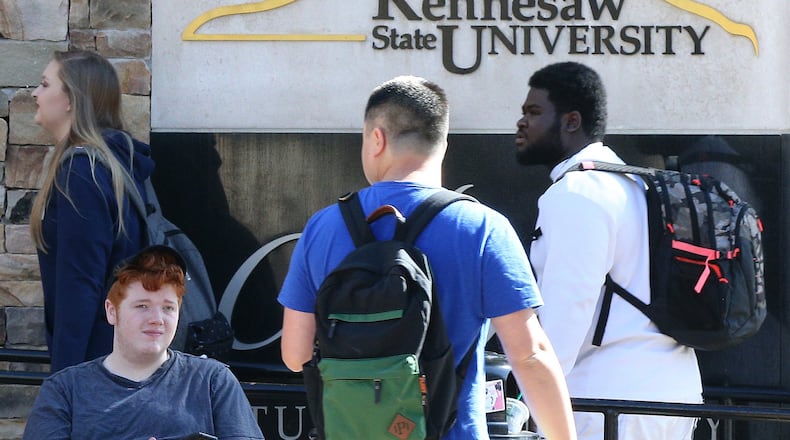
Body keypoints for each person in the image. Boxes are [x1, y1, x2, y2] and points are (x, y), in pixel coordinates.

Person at [278, 76, 576, 439]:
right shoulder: (482, 228)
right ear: (443, 144)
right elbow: (530, 356)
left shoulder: (322, 227)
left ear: (377, 139)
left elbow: (295, 355)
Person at [514, 61, 702, 439]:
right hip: (671, 395)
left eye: (533, 112)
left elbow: (567, 313)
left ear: (571, 121)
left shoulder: (577, 193)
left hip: (607, 404)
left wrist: (530, 403)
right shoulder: (637, 185)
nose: (521, 122)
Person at [23, 246, 265, 440]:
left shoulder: (213, 381)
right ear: (112, 311)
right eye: (142, 306)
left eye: (168, 308)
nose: (157, 319)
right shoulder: (65, 391)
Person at [29, 49, 154, 372]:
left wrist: (65, 385)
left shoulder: (82, 174)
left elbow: (80, 287)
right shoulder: (117, 165)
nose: (35, 93)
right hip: (118, 363)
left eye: (45, 85)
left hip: (97, 371)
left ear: (70, 99)